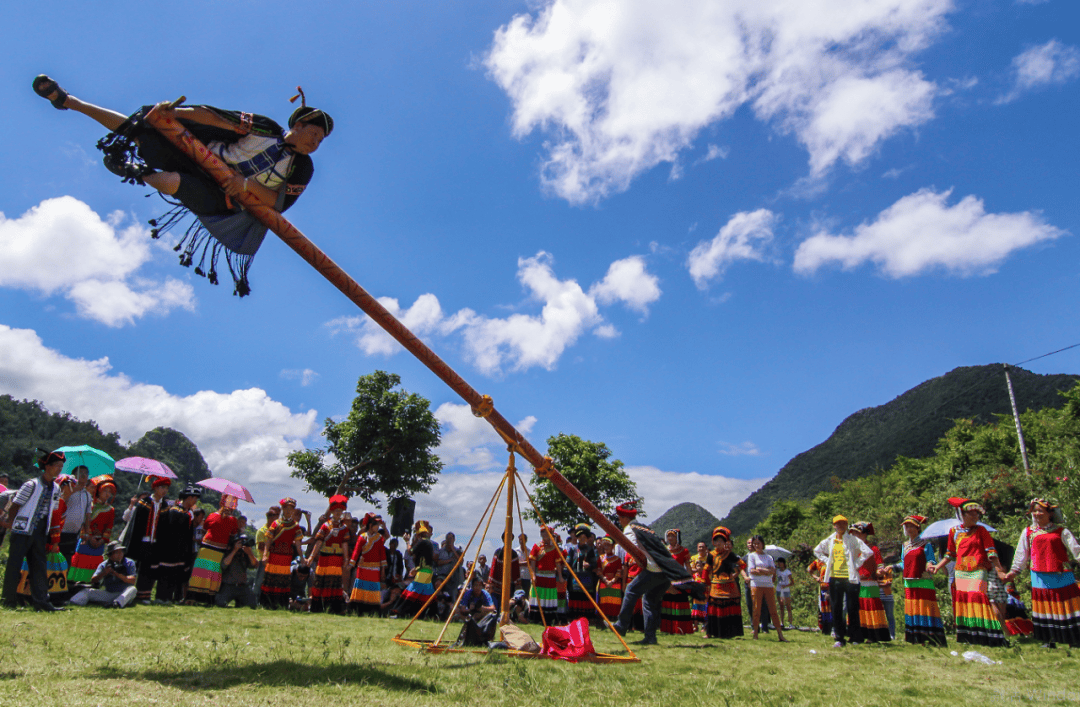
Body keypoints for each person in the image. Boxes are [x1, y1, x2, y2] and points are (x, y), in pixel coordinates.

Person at [32, 76, 334, 297]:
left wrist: (243, 186)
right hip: (199, 156)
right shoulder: (265, 127)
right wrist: (174, 114)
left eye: (321, 140)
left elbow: (279, 203)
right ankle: (70, 101)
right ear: (298, 124)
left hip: (224, 198)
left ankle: (134, 171)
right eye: (314, 133)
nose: (316, 142)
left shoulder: (302, 168)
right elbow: (216, 118)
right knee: (141, 130)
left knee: (170, 182)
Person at [612, 501, 694, 646]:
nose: (619, 520)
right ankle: (650, 637)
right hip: (665, 570)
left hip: (654, 568)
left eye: (619, 517)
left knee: (631, 590)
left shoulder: (630, 529)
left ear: (624, 518)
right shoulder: (645, 528)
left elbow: (631, 547)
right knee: (649, 600)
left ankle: (621, 625)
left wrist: (638, 559)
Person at [929, 497, 1009, 646]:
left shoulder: (981, 531)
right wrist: (938, 567)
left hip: (978, 571)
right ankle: (970, 636)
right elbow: (950, 554)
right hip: (961, 572)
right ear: (962, 515)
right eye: (971, 514)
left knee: (979, 600)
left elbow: (991, 552)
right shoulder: (954, 532)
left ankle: (992, 636)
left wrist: (999, 570)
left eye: (976, 514)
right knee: (965, 603)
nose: (975, 517)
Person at [1004, 498, 1080, 648]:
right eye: (1035, 510)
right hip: (1039, 575)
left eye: (1041, 510)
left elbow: (1076, 550)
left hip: (1061, 575)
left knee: (1067, 606)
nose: (1037, 513)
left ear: (1050, 513)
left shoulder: (1061, 531)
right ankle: (1049, 640)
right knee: (1046, 608)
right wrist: (1014, 571)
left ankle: (1074, 639)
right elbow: (1022, 554)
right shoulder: (1028, 532)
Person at [2, 450, 66, 611]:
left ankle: (42, 602)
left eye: (61, 466)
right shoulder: (31, 484)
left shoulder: (56, 488)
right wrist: (11, 523)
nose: (59, 469)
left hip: (40, 529)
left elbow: (54, 509)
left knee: (39, 565)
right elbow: (16, 504)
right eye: (57, 466)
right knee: (14, 564)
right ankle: (8, 600)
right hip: (23, 528)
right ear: (48, 466)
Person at [813, 515, 873, 648]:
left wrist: (856, 564)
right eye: (837, 524)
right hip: (835, 577)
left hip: (850, 578)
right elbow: (817, 551)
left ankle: (855, 636)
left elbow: (867, 552)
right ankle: (839, 638)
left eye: (843, 524)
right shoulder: (830, 540)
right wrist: (828, 562)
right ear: (834, 526)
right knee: (836, 608)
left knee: (853, 608)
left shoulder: (852, 539)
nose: (840, 526)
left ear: (846, 526)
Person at [898, 514, 946, 646]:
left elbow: (931, 559)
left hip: (923, 580)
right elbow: (903, 562)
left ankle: (930, 637)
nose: (908, 528)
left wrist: (930, 565)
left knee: (925, 607)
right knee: (913, 607)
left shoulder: (925, 544)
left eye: (911, 526)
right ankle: (916, 637)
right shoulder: (905, 545)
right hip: (909, 581)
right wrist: (892, 567)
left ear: (918, 528)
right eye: (906, 526)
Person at [123, 475, 172, 604]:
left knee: (150, 569)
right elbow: (136, 524)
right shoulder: (144, 503)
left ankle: (144, 595)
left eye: (166, 488)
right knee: (136, 567)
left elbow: (165, 526)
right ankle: (128, 592)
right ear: (155, 487)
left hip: (155, 542)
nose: (164, 490)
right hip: (141, 540)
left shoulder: (165, 506)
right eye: (162, 487)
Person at [187, 494, 241, 605]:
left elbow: (233, 533)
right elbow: (206, 528)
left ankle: (208, 600)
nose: (228, 508)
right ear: (222, 503)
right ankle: (192, 598)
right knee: (200, 572)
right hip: (206, 548)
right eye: (227, 504)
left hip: (219, 551)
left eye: (231, 505)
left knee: (213, 574)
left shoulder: (233, 520)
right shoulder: (212, 516)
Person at [153, 485, 201, 603]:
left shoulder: (187, 513)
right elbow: (169, 532)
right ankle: (161, 597)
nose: (195, 501)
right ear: (188, 498)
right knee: (166, 572)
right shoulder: (175, 511)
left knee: (174, 574)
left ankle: (169, 597)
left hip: (180, 549)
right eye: (194, 498)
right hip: (170, 548)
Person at [67, 475, 117, 586]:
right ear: (99, 491)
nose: (107, 494)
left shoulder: (110, 510)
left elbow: (109, 527)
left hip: (99, 542)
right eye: (105, 491)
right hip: (86, 538)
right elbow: (84, 521)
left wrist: (102, 540)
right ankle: (73, 583)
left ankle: (91, 582)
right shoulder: (90, 505)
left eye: (110, 492)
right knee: (80, 559)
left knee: (95, 563)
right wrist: (89, 536)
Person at [306, 496, 352, 614]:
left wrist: (346, 559)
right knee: (321, 581)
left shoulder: (344, 528)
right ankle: (317, 607)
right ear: (332, 512)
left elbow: (345, 544)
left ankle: (333, 608)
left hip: (337, 559)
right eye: (336, 511)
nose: (338, 514)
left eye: (340, 512)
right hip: (325, 558)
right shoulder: (325, 526)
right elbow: (319, 541)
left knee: (335, 583)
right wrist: (311, 557)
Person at [847, 522, 890, 643]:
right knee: (855, 608)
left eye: (857, 532)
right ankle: (855, 634)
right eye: (853, 533)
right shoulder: (852, 549)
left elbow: (880, 564)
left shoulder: (873, 548)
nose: (854, 535)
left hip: (869, 583)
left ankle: (872, 635)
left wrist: (880, 571)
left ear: (865, 534)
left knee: (869, 607)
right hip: (854, 581)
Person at [743, 535, 787, 642]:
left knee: (772, 609)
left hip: (768, 585)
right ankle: (756, 634)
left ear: (763, 544)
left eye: (758, 543)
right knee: (756, 609)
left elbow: (772, 570)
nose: (756, 545)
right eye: (755, 543)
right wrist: (765, 571)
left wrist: (761, 570)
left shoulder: (768, 557)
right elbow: (752, 570)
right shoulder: (752, 556)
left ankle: (780, 634)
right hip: (756, 585)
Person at [68, 541, 138, 609]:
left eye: (121, 551)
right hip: (109, 593)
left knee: (133, 589)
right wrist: (104, 573)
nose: (120, 554)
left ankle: (117, 603)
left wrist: (115, 573)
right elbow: (93, 580)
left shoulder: (129, 563)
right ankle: (74, 602)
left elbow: (132, 581)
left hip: (123, 593)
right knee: (87, 591)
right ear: (109, 555)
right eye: (117, 552)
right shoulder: (104, 565)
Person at [703, 527, 744, 639]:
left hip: (729, 586)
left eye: (721, 541)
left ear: (726, 542)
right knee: (713, 610)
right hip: (715, 586)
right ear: (713, 542)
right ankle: (710, 633)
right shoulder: (711, 554)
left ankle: (730, 633)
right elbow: (706, 569)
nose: (718, 543)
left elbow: (742, 564)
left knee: (728, 609)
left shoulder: (730, 554)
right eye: (716, 541)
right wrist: (705, 583)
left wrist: (736, 574)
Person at [391, 520, 437, 619]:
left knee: (412, 591)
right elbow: (423, 559)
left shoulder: (423, 542)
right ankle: (428, 615)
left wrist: (407, 541)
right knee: (426, 594)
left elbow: (410, 551)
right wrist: (416, 569)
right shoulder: (427, 543)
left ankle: (400, 612)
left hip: (423, 573)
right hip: (427, 572)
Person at [348, 512, 387, 615]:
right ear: (370, 525)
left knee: (372, 588)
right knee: (361, 587)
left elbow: (382, 555)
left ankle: (372, 611)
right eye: (376, 525)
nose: (378, 527)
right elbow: (356, 552)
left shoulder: (379, 538)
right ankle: (358, 610)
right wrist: (351, 564)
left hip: (375, 568)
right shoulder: (362, 537)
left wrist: (383, 570)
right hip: (362, 567)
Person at [659, 528, 696, 635]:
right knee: (668, 601)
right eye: (669, 536)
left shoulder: (684, 551)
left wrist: (690, 579)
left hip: (680, 579)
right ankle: (668, 628)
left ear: (678, 537)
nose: (670, 538)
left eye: (673, 536)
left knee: (680, 602)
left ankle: (681, 628)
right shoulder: (665, 550)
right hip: (668, 579)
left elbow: (688, 566)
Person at [58, 466, 93, 568]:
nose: (83, 475)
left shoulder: (87, 495)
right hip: (61, 531)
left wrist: (86, 532)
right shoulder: (66, 489)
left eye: (86, 473)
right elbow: (60, 502)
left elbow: (88, 514)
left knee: (67, 560)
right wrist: (74, 489)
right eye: (80, 472)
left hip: (74, 533)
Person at [528, 525, 563, 623]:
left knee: (548, 597)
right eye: (542, 532)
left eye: (546, 532)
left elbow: (558, 563)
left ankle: (548, 618)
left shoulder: (554, 548)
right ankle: (536, 618)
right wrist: (533, 575)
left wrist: (560, 576)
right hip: (539, 576)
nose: (544, 534)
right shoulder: (537, 547)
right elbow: (533, 562)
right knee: (538, 596)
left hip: (550, 576)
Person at [216, 531, 259, 609]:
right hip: (228, 586)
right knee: (220, 603)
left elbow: (255, 565)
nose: (243, 544)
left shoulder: (246, 554)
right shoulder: (228, 552)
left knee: (253, 605)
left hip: (243, 586)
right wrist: (234, 550)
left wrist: (250, 553)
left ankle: (240, 602)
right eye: (240, 542)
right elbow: (224, 565)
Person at [565, 524, 598, 623]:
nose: (582, 539)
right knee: (575, 597)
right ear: (577, 538)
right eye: (580, 537)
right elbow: (568, 563)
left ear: (587, 538)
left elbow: (595, 563)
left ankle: (586, 620)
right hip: (575, 579)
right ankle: (574, 620)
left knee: (586, 599)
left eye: (584, 537)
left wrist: (589, 565)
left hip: (587, 579)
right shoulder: (572, 549)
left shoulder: (591, 550)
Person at [487, 530, 522, 612]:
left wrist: (517, 584)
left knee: (506, 604)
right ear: (503, 540)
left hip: (509, 584)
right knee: (496, 603)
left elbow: (516, 570)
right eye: (506, 538)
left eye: (510, 538)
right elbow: (493, 567)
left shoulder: (513, 554)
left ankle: (504, 616)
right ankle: (495, 617)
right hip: (497, 583)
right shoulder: (498, 552)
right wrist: (490, 583)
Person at [595, 536, 624, 622]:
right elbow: (599, 571)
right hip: (604, 582)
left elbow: (619, 572)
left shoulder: (617, 559)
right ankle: (605, 619)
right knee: (604, 601)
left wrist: (612, 581)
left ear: (612, 547)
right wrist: (605, 580)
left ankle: (614, 619)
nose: (606, 547)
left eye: (608, 545)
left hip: (615, 583)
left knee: (614, 602)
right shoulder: (601, 558)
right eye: (605, 545)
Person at [805, 557, 832, 635]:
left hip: (832, 587)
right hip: (822, 587)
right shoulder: (818, 561)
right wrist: (816, 577)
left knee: (832, 608)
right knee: (823, 608)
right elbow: (809, 569)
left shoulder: (831, 559)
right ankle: (825, 628)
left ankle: (833, 628)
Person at [434, 532, 465, 598]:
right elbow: (438, 562)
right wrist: (450, 560)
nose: (449, 540)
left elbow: (461, 562)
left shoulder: (458, 551)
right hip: (443, 575)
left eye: (451, 538)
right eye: (448, 538)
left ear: (454, 540)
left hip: (454, 576)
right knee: (438, 584)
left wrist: (453, 550)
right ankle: (439, 598)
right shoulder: (440, 551)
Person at [775, 557, 794, 629]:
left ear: (783, 563)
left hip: (786, 590)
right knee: (781, 606)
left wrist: (786, 585)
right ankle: (781, 622)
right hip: (779, 589)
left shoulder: (787, 572)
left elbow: (792, 582)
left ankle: (790, 623)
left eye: (780, 562)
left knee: (788, 606)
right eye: (778, 562)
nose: (779, 564)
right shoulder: (777, 571)